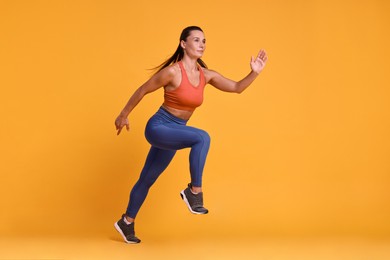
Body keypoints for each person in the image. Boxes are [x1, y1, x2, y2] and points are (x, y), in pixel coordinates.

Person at [114, 26, 267, 243]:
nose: (202, 44)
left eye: (204, 40)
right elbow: (143, 89)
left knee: (147, 178)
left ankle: (126, 222)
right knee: (202, 137)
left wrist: (255, 72)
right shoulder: (172, 72)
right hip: (159, 127)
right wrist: (123, 114)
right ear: (183, 44)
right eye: (196, 40)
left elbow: (236, 87)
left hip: (176, 131)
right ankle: (194, 192)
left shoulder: (206, 75)